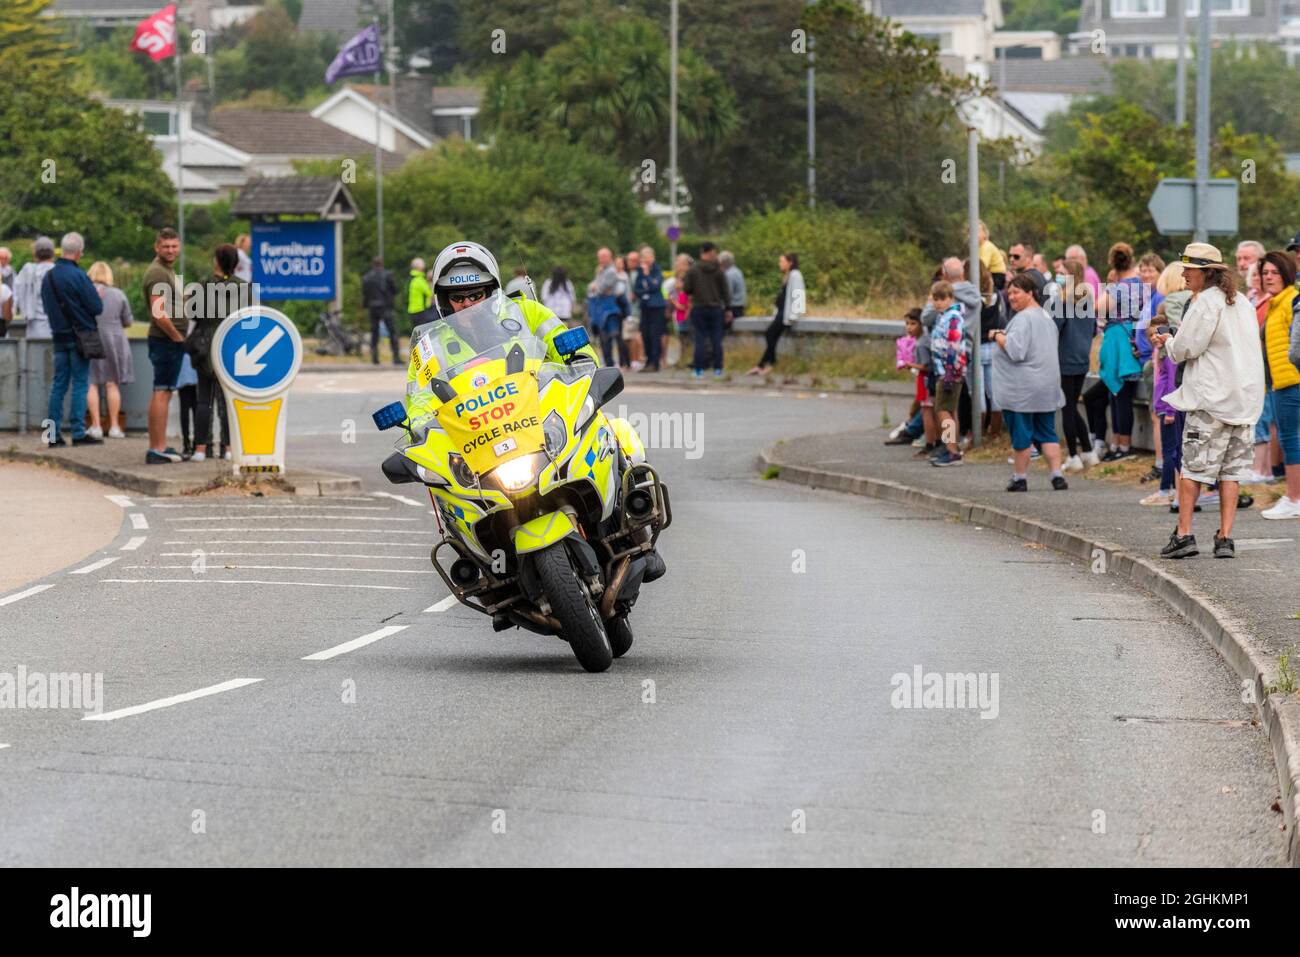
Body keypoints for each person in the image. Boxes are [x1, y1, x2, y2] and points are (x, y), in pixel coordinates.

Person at [1153, 243, 1265, 559]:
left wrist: (1167, 340)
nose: (1184, 273)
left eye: (1189, 268)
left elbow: (1186, 348)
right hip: (1243, 400)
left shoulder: (1204, 303)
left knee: (1194, 468)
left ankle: (1185, 534)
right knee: (1230, 472)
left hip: (1211, 399)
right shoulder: (1241, 301)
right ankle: (1225, 538)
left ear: (1205, 272)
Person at [994, 272, 1068, 491]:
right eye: (1009, 293)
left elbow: (1016, 351)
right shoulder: (1046, 317)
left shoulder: (1022, 319)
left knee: (1022, 435)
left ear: (1030, 293)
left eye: (1016, 292)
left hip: (1022, 391)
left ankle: (1020, 478)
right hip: (1047, 387)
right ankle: (1057, 475)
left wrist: (998, 336)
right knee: (1047, 432)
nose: (1012, 297)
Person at [40, 232, 104, 447]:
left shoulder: (48, 277)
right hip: (80, 337)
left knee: (58, 385)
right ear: (79, 252)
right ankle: (78, 432)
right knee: (79, 383)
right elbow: (96, 307)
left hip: (58, 336)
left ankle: (51, 435)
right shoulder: (79, 276)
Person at [1083, 242, 1144, 462]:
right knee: (1119, 394)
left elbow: (1098, 307)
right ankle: (1119, 444)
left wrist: (1110, 284)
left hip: (1119, 340)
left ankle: (1122, 445)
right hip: (1131, 338)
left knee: (1120, 395)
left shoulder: (1121, 286)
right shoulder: (1139, 282)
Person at [186, 244, 244, 463]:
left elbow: (192, 316)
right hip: (233, 346)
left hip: (206, 346)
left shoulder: (202, 286)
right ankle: (229, 448)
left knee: (204, 400)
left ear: (216, 262)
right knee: (228, 401)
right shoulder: (243, 287)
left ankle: (200, 448)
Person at [1258, 250, 1300, 519]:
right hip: (1279, 382)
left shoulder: (1290, 301)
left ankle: (1294, 498)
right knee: (1290, 439)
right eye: (1265, 273)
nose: (1269, 277)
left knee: (1290, 440)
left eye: (1274, 272)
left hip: (1291, 381)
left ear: (1286, 274)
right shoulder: (1274, 303)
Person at [141, 228, 187, 464]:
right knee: (162, 391)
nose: (170, 250)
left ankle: (159, 445)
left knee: (165, 391)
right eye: (166, 246)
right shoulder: (158, 273)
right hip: (165, 340)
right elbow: (159, 313)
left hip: (167, 340)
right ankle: (156, 448)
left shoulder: (166, 270)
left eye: (174, 246)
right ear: (156, 247)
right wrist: (177, 336)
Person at [1050, 258, 1096, 471]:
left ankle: (1072, 455)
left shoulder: (1062, 302)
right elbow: (1094, 330)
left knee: (1067, 407)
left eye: (1061, 271)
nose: (1057, 274)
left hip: (1064, 359)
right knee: (1072, 405)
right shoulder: (1087, 301)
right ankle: (1087, 450)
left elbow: (1054, 328)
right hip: (1082, 360)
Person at [85, 261, 133, 440]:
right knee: (112, 383)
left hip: (92, 339)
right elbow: (127, 321)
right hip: (115, 341)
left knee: (92, 382)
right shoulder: (118, 294)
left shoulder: (85, 294)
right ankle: (114, 426)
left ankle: (95, 426)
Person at [927, 280, 969, 468]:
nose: (938, 303)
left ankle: (952, 450)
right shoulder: (942, 316)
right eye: (935, 299)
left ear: (951, 298)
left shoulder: (952, 317)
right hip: (944, 370)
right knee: (951, 411)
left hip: (949, 371)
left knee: (942, 411)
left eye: (942, 299)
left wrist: (950, 373)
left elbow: (953, 345)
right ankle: (951, 447)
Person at [749, 252, 804, 375]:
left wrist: (794, 316)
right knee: (771, 335)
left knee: (770, 334)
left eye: (782, 261)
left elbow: (798, 294)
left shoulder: (795, 275)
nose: (780, 264)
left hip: (786, 314)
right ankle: (766, 364)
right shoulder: (789, 275)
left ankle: (766, 364)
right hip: (781, 312)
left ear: (790, 262)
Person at [682, 242, 731, 378]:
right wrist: (728, 309)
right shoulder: (719, 270)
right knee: (716, 339)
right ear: (712, 253)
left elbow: (686, 289)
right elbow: (726, 292)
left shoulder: (693, 270)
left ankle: (698, 369)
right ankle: (718, 369)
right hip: (716, 308)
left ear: (701, 252)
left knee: (700, 339)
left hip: (699, 308)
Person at [14, 236, 57, 340]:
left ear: (35, 253)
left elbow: (16, 296)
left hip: (34, 328)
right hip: (57, 327)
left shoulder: (26, 271)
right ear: (53, 253)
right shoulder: (60, 271)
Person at [362, 256, 400, 365]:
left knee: (374, 332)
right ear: (382, 264)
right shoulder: (388, 275)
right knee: (392, 331)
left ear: (373, 264)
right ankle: (395, 357)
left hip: (372, 307)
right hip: (385, 306)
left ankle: (375, 358)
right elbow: (394, 290)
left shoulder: (367, 277)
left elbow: (365, 293)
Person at [588, 247, 622, 367]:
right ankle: (608, 362)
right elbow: (591, 288)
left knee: (610, 336)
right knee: (603, 336)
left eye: (603, 257)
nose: (600, 259)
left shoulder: (611, 271)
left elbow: (600, 289)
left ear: (609, 257)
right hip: (601, 308)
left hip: (609, 308)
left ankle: (612, 363)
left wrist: (596, 287)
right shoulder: (601, 270)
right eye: (599, 257)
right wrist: (596, 287)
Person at [633, 246, 665, 372]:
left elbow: (655, 286)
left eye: (647, 258)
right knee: (645, 334)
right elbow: (637, 288)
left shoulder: (657, 270)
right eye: (643, 258)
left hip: (656, 306)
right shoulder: (640, 271)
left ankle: (655, 362)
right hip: (645, 306)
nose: (645, 261)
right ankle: (648, 360)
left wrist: (647, 275)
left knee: (655, 334)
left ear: (652, 257)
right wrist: (644, 291)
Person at [977, 221, 1007, 290]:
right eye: (970, 231)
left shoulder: (986, 246)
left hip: (996, 276)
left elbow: (982, 265)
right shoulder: (979, 247)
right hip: (990, 275)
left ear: (985, 234)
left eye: (978, 231)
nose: (974, 233)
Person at [407, 257, 433, 326]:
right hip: (420, 310)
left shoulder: (412, 278)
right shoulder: (419, 279)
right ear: (419, 266)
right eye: (422, 263)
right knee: (422, 333)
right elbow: (430, 293)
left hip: (412, 310)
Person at [720, 250, 747, 319]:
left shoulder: (729, 274)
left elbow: (728, 294)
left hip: (733, 308)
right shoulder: (737, 271)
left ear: (724, 262)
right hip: (740, 306)